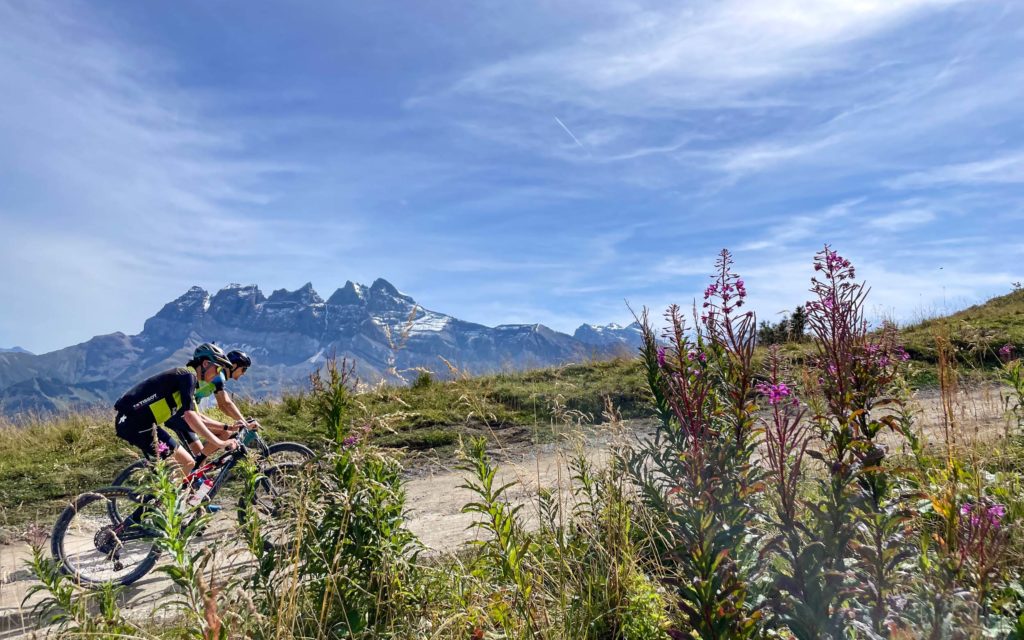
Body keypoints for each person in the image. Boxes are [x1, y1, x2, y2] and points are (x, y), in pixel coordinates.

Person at [113, 343, 239, 473]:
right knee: (184, 464)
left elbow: (197, 416)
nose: (218, 374)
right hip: (134, 425)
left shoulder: (187, 379)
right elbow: (190, 417)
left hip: (146, 425)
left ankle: (176, 492)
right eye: (218, 369)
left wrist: (228, 428)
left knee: (188, 463)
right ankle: (167, 493)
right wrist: (220, 443)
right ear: (206, 364)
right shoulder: (187, 376)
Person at [166, 347, 260, 457]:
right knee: (224, 433)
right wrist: (245, 423)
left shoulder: (217, 376)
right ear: (234, 366)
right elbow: (225, 403)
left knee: (198, 459)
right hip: (182, 414)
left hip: (182, 414)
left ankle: (190, 466)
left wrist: (242, 422)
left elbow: (223, 405)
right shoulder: (218, 376)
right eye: (243, 369)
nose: (243, 373)